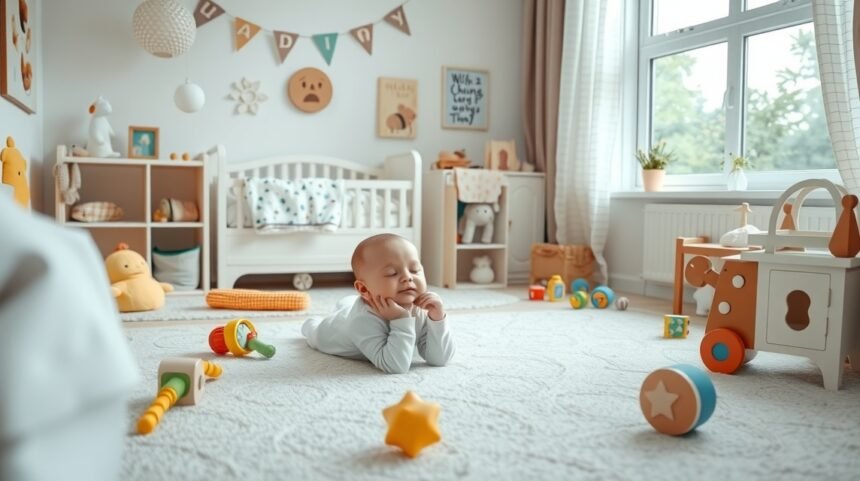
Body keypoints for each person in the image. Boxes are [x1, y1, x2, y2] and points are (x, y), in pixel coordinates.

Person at [301, 233, 454, 374]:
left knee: (347, 304)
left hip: (357, 305)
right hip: (334, 329)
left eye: (414, 270)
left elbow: (439, 359)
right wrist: (400, 320)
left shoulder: (420, 307)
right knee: (315, 329)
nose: (408, 278)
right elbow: (395, 366)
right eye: (392, 273)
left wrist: (437, 319)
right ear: (364, 289)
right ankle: (312, 323)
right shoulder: (361, 321)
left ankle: (346, 303)